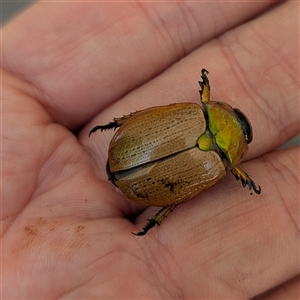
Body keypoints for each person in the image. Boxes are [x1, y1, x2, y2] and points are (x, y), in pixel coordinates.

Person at [2, 2, 299, 299]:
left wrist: (204, 87)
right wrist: (242, 176)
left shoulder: (198, 112)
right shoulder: (223, 165)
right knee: (178, 197)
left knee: (177, 193)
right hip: (138, 174)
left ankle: (153, 208)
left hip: (127, 155)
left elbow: (149, 116)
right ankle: (157, 217)